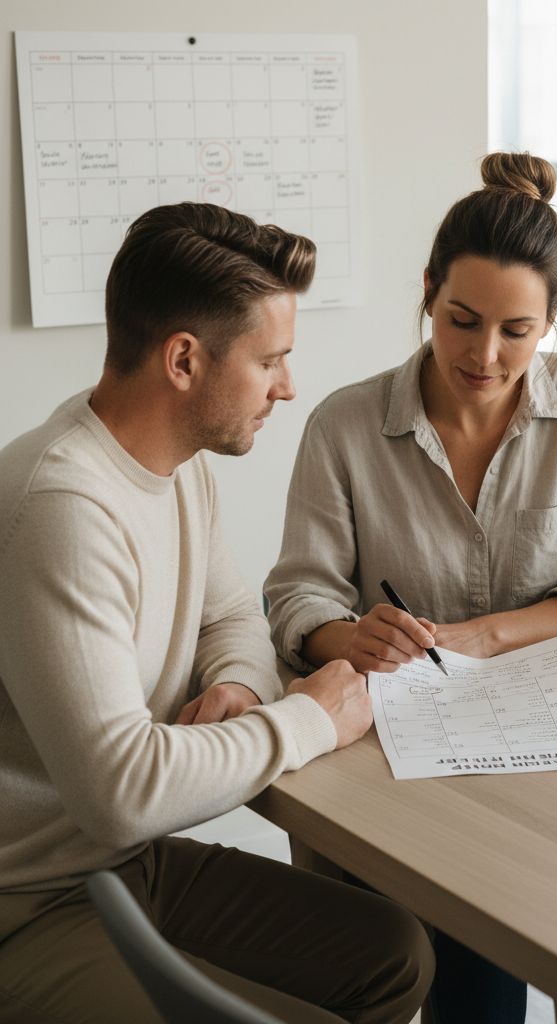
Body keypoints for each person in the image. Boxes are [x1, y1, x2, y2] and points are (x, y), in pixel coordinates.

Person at [0, 203, 434, 1024]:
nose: (288, 385)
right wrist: (306, 718)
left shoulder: (175, 464)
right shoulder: (61, 505)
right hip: (25, 905)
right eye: (270, 359)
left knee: (395, 955)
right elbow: (122, 792)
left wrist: (238, 685)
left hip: (120, 865)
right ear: (184, 361)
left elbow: (234, 612)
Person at [265, 153, 557, 1024]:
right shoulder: (345, 424)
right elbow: (298, 597)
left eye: (518, 330)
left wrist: (482, 636)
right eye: (461, 319)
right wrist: (348, 638)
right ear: (429, 294)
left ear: (552, 320)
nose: (485, 355)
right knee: (468, 972)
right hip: (407, 756)